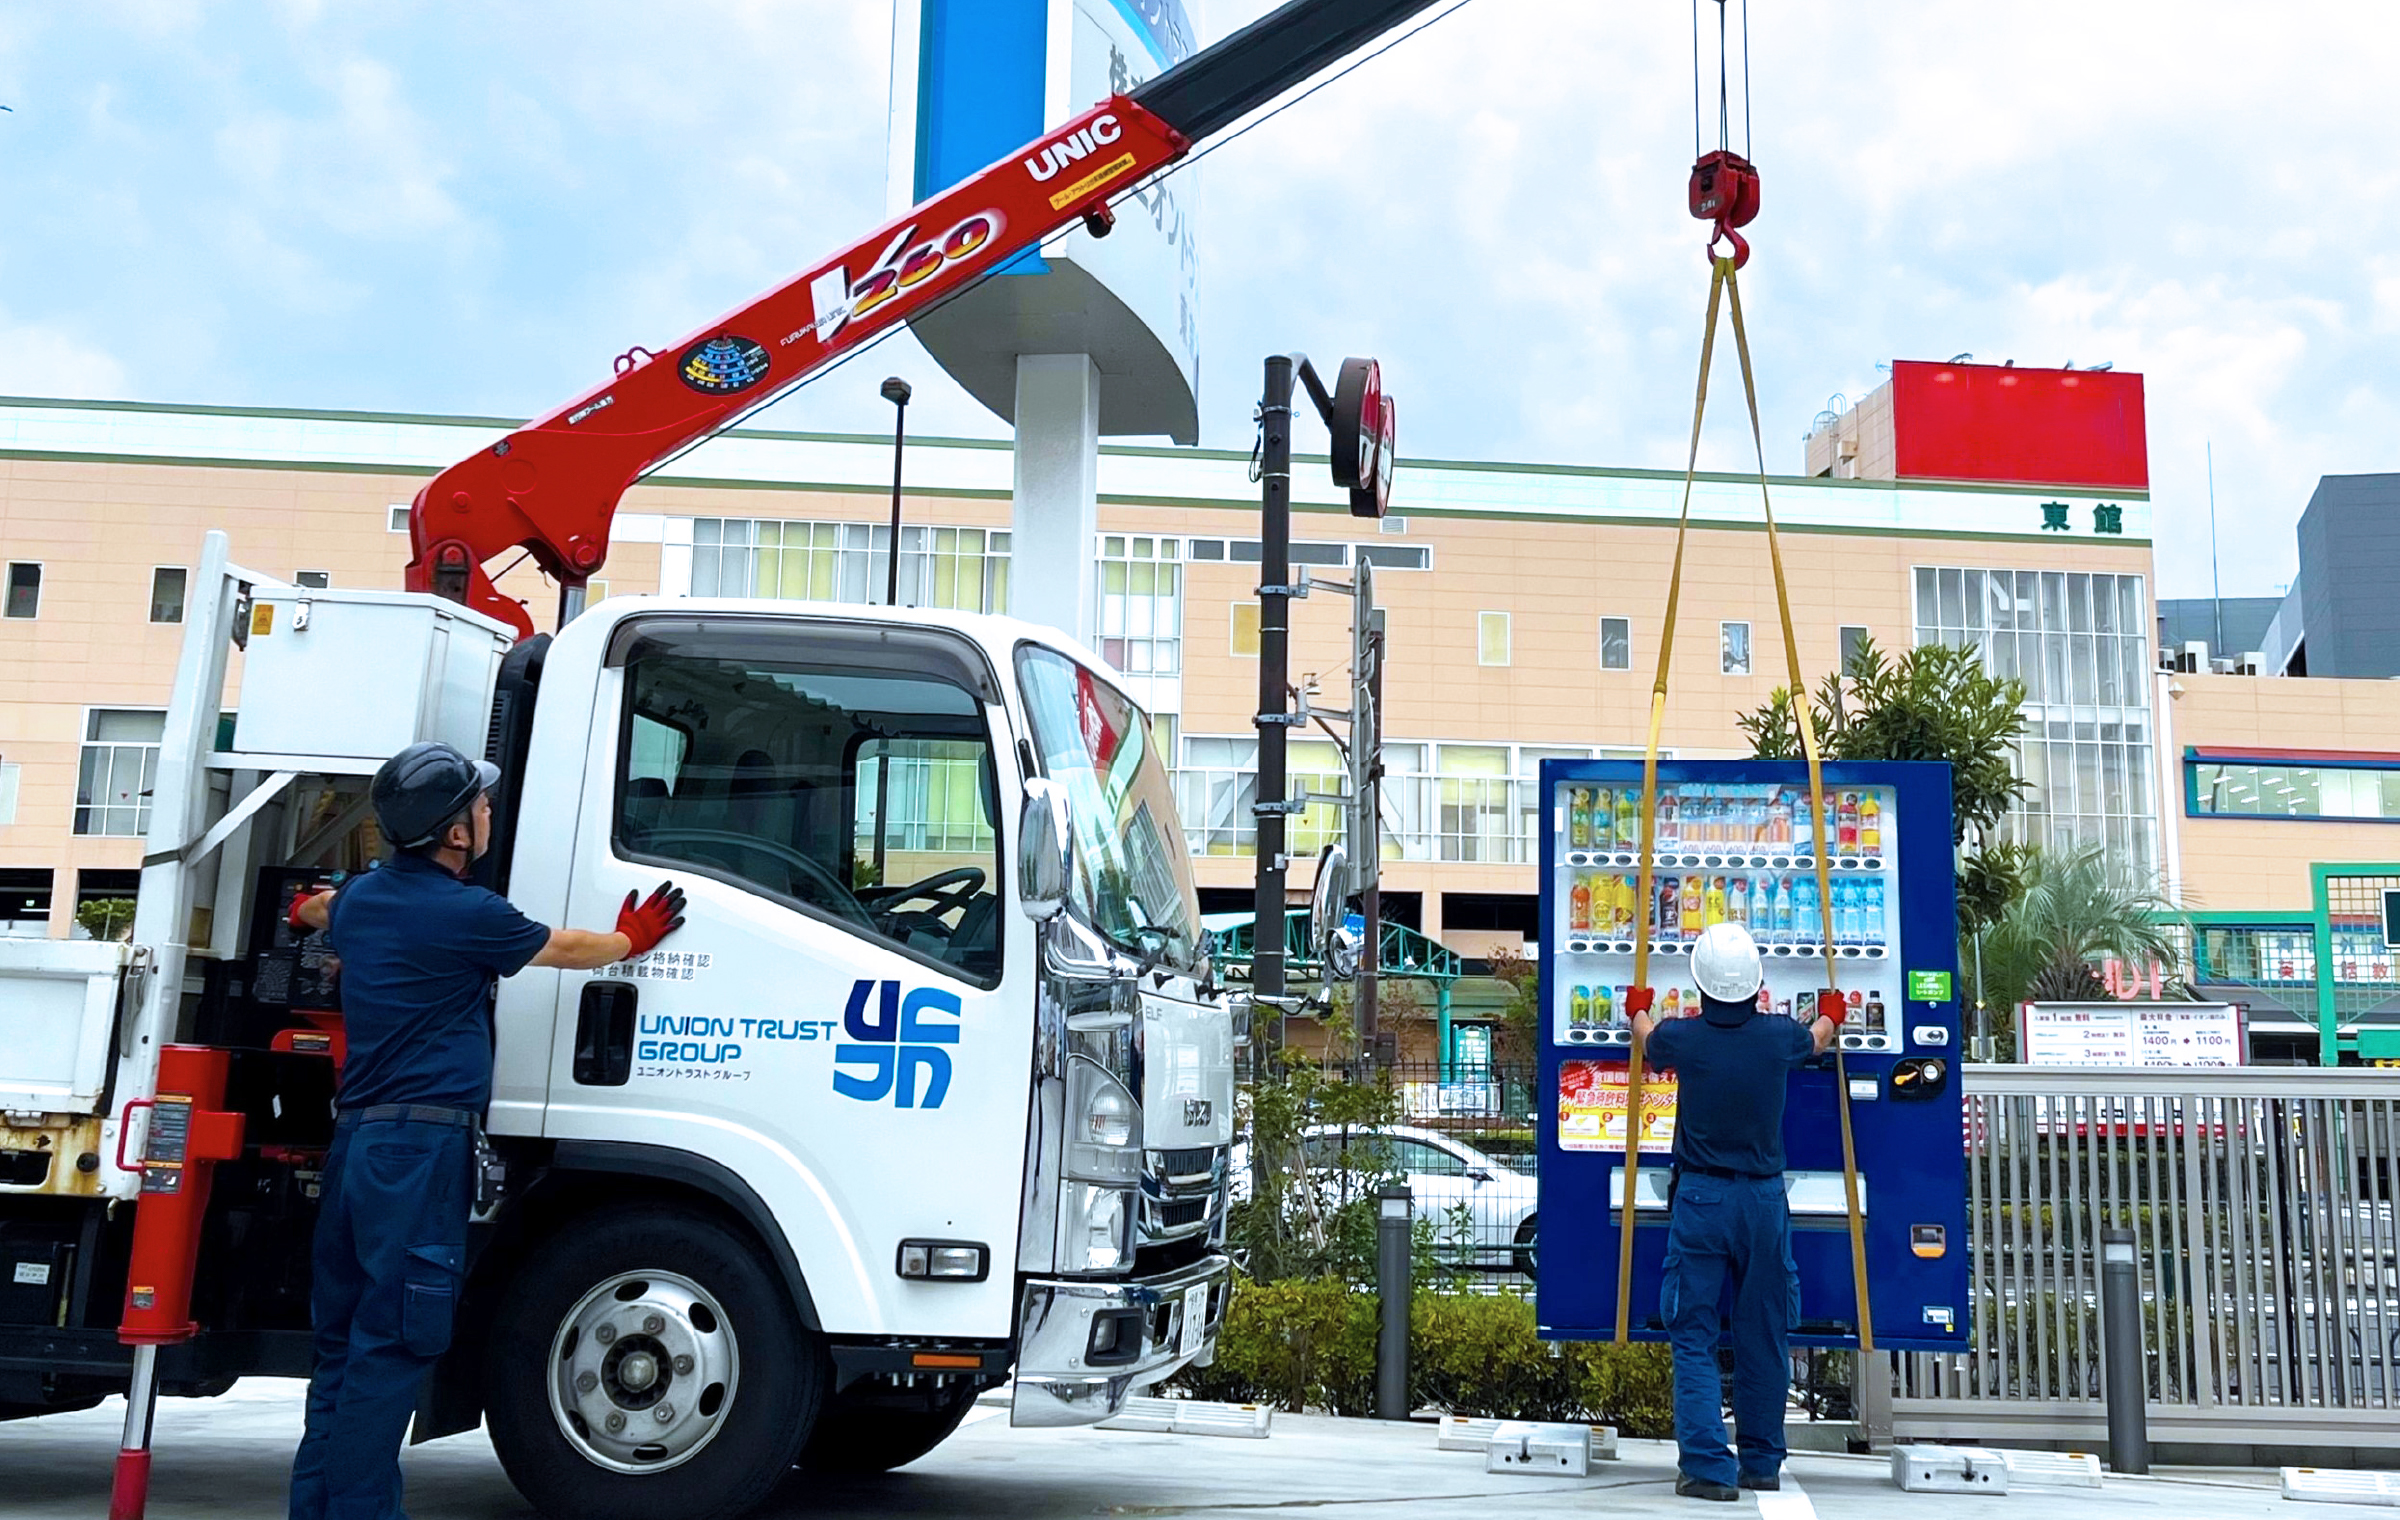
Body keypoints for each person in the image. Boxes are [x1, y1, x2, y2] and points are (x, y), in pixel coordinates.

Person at [285, 740, 686, 1520]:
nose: (490, 811)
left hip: (357, 1148)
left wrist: (318, 902)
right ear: (456, 833)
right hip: (418, 1152)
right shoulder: (468, 915)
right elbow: (569, 950)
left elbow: (314, 909)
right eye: (481, 803)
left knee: (340, 1351)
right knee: (392, 1346)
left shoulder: (362, 902)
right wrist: (631, 940)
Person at [1625, 920, 1841, 1502]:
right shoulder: (1777, 1037)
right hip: (1765, 1201)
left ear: (1701, 987)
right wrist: (1834, 1009)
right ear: (1757, 983)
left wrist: (1637, 1007)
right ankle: (1763, 1462)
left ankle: (1705, 1467)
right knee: (1763, 1333)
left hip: (1700, 1198)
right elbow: (1817, 1038)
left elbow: (1648, 1040)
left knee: (1692, 1333)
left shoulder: (1686, 1039)